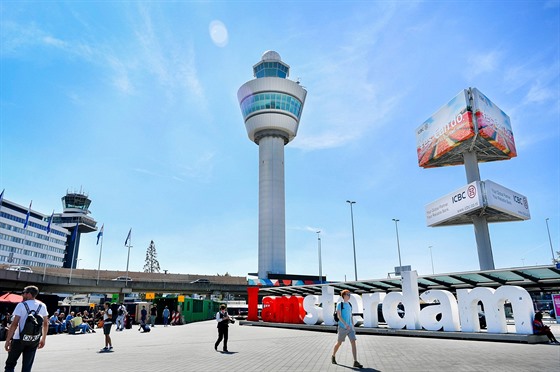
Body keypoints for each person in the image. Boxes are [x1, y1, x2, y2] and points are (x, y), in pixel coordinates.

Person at [4, 285, 49, 372]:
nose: (22, 295)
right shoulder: (42, 305)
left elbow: (14, 324)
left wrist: (8, 340)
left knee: (10, 364)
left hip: (18, 339)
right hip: (33, 339)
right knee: (27, 367)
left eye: (24, 293)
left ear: (29, 294)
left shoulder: (21, 305)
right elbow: (46, 323)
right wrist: (43, 339)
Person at [331, 289, 363, 369]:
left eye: (349, 294)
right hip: (342, 327)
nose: (349, 295)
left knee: (353, 342)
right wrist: (345, 324)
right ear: (344, 295)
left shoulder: (349, 304)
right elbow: (339, 316)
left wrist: (352, 325)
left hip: (350, 327)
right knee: (339, 343)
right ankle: (333, 355)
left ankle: (355, 361)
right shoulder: (340, 304)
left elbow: (351, 315)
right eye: (348, 294)